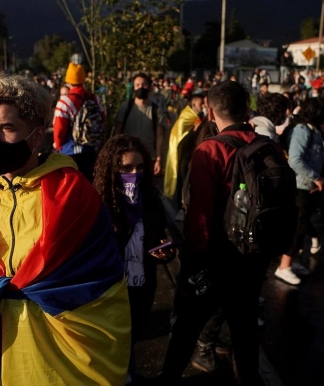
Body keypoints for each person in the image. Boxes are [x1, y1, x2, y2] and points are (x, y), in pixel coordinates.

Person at [0, 74, 131, 386]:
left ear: (37, 137)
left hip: (55, 354)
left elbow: (99, 281)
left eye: (7, 128)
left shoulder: (73, 196)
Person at [159, 81, 268, 385]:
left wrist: (192, 263)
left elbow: (200, 216)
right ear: (247, 110)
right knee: (244, 335)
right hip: (252, 258)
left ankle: (167, 378)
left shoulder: (212, 149)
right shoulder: (265, 146)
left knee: (186, 330)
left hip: (217, 258)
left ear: (209, 111)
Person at [93, 135, 175, 383]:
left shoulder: (151, 201)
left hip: (142, 288)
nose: (134, 173)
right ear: (112, 169)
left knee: (131, 339)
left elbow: (156, 237)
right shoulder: (99, 204)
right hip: (110, 292)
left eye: (140, 167)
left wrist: (164, 252)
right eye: (126, 168)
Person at [274, 97, 324, 285]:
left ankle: (291, 261)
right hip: (299, 186)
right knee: (298, 227)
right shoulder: (302, 130)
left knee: (301, 227)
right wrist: (316, 177)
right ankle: (284, 267)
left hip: (307, 186)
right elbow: (295, 160)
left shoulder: (312, 129)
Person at [53, 62, 105, 181]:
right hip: (91, 150)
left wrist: (58, 145)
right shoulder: (95, 98)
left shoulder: (65, 102)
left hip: (70, 152)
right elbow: (102, 119)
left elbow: (59, 129)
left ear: (68, 80)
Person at [114, 72, 166, 175]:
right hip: (127, 157)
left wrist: (158, 159)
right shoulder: (125, 107)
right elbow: (117, 132)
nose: (140, 87)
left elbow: (160, 136)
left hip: (148, 158)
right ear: (133, 87)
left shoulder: (156, 110)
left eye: (144, 84)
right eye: (137, 85)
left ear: (149, 87)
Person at [164, 89, 205, 200]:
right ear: (194, 103)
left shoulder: (199, 117)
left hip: (194, 155)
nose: (203, 106)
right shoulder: (186, 117)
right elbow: (181, 141)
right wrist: (194, 131)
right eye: (201, 103)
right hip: (183, 156)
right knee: (183, 182)